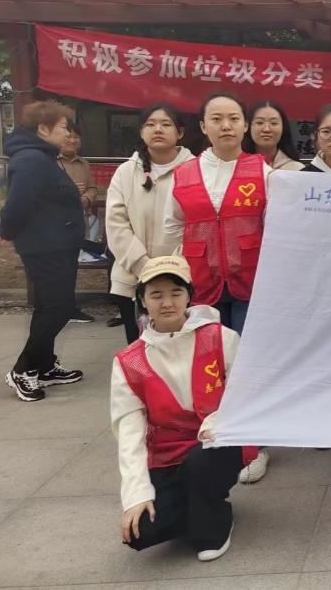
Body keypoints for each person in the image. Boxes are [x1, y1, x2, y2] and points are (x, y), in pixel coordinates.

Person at [111, 255, 256, 562]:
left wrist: (214, 423)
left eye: (176, 293)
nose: (167, 303)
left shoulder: (220, 338)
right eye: (156, 295)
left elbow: (245, 394)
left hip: (216, 443)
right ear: (142, 300)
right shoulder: (129, 361)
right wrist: (136, 495)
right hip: (168, 455)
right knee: (141, 533)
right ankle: (199, 504)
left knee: (202, 463)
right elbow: (129, 430)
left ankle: (215, 522)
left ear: (189, 295)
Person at [162, 93, 270, 484]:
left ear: (245, 126)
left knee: (249, 362)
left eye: (234, 118)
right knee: (209, 364)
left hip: (251, 282)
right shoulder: (184, 174)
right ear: (203, 127)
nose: (226, 126)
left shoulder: (262, 171)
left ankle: (254, 445)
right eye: (217, 119)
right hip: (203, 283)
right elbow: (172, 225)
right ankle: (214, 436)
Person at [0, 100, 85, 402]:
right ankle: (24, 369)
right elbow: (18, 202)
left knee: (51, 306)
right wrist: (7, 231)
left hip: (57, 244)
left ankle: (45, 365)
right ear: (43, 129)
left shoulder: (41, 156)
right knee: (58, 307)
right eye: (63, 128)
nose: (67, 134)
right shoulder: (32, 159)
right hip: (46, 247)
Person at [106, 103, 195, 344]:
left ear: (180, 132)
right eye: (151, 124)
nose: (158, 129)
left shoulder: (196, 170)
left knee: (180, 347)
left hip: (180, 278)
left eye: (166, 124)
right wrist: (144, 267)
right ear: (141, 131)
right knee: (139, 348)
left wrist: (172, 269)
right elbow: (116, 225)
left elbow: (198, 226)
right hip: (132, 277)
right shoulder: (125, 172)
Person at [59, 125, 103, 323]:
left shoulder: (83, 164)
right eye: (67, 136)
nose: (71, 140)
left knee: (70, 267)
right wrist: (68, 192)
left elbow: (92, 188)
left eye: (75, 137)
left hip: (77, 222)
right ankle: (55, 308)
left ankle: (69, 308)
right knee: (57, 268)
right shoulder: (50, 162)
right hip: (55, 223)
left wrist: (85, 199)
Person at [244, 101, 303, 171]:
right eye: (260, 123)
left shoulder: (297, 169)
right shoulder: (237, 166)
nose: (266, 129)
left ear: (283, 127)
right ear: (248, 127)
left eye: (274, 123)